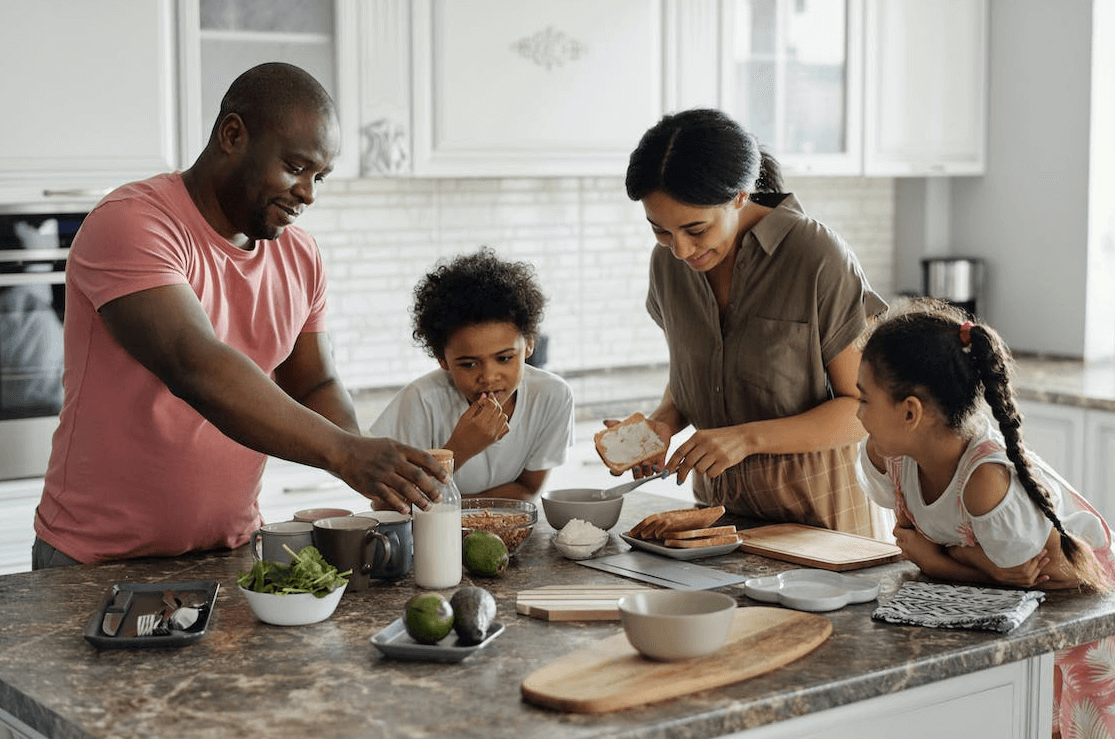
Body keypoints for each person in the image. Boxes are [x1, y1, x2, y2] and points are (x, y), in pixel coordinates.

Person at [32, 62, 446, 568]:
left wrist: (370, 464)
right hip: (95, 559)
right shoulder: (131, 223)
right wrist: (344, 453)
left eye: (319, 177)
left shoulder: (300, 255)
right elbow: (195, 365)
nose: (309, 193)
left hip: (231, 551)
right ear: (232, 135)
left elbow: (314, 383)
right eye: (295, 167)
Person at [620, 108, 887, 537]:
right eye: (661, 231)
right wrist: (661, 426)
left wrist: (746, 439)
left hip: (823, 525)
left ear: (741, 196)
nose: (681, 250)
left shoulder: (816, 256)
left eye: (696, 230)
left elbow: (864, 409)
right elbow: (697, 377)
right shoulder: (667, 265)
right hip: (719, 522)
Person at [854, 298, 1115, 737]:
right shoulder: (891, 455)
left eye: (864, 399)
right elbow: (999, 573)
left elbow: (1028, 576)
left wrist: (939, 560)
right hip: (1023, 610)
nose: (857, 412)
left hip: (1082, 611)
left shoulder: (985, 482)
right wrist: (970, 561)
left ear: (910, 412)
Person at [369, 247, 574, 501]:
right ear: (442, 359)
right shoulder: (421, 402)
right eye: (468, 364)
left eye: (504, 358)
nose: (488, 377)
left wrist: (455, 509)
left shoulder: (552, 396)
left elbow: (527, 490)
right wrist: (459, 449)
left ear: (529, 344)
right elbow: (386, 504)